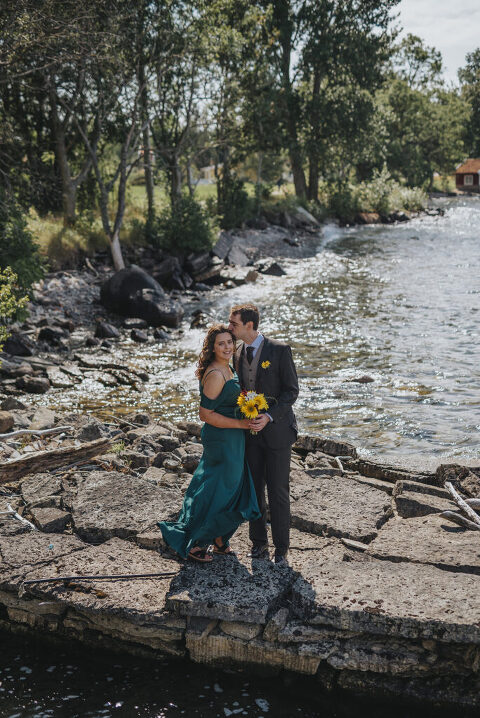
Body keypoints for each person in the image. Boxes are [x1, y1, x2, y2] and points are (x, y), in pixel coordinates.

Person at [158, 324, 260, 563]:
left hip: (233, 437)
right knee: (219, 490)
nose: (227, 347)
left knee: (232, 487)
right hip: (221, 439)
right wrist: (242, 424)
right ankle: (195, 542)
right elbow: (205, 415)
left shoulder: (228, 367)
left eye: (229, 342)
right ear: (212, 348)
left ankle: (220, 540)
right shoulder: (215, 374)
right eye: (221, 343)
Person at [229, 303, 299, 566]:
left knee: (278, 491)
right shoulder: (237, 351)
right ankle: (258, 543)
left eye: (233, 323)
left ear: (249, 325)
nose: (229, 327)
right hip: (250, 434)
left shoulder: (279, 350)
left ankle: (281, 548)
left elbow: (291, 391)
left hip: (278, 433)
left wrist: (268, 416)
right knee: (255, 489)